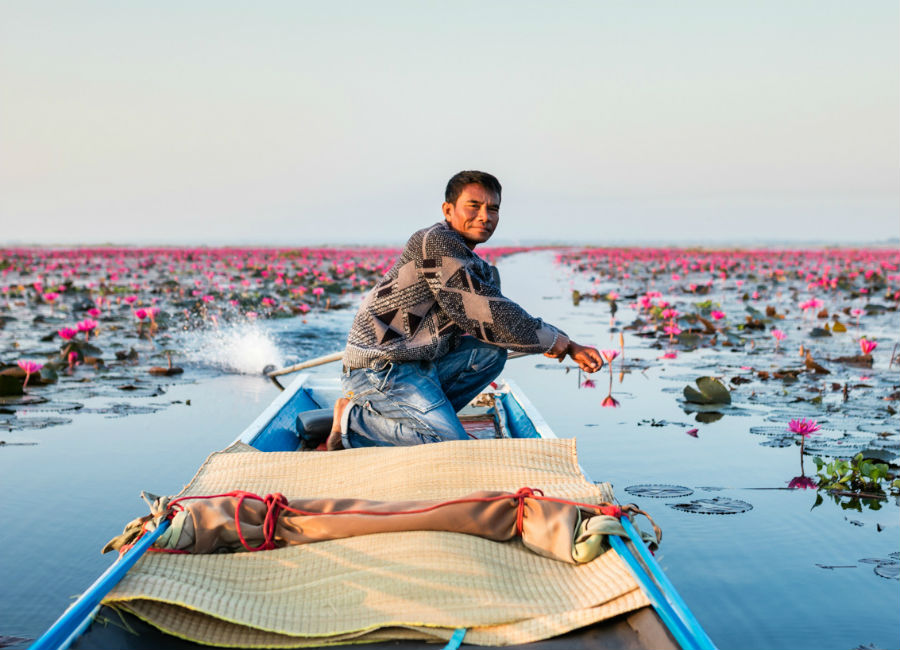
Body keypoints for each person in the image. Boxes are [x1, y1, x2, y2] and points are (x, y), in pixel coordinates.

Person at [327, 170, 604, 449]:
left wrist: (555, 341)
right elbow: (487, 313)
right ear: (448, 210)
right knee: (448, 444)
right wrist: (563, 344)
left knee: (490, 352)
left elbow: (501, 319)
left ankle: (425, 421)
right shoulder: (435, 243)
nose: (485, 216)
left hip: (415, 363)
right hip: (379, 367)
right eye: (474, 206)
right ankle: (353, 420)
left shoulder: (475, 264)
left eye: (493, 208)